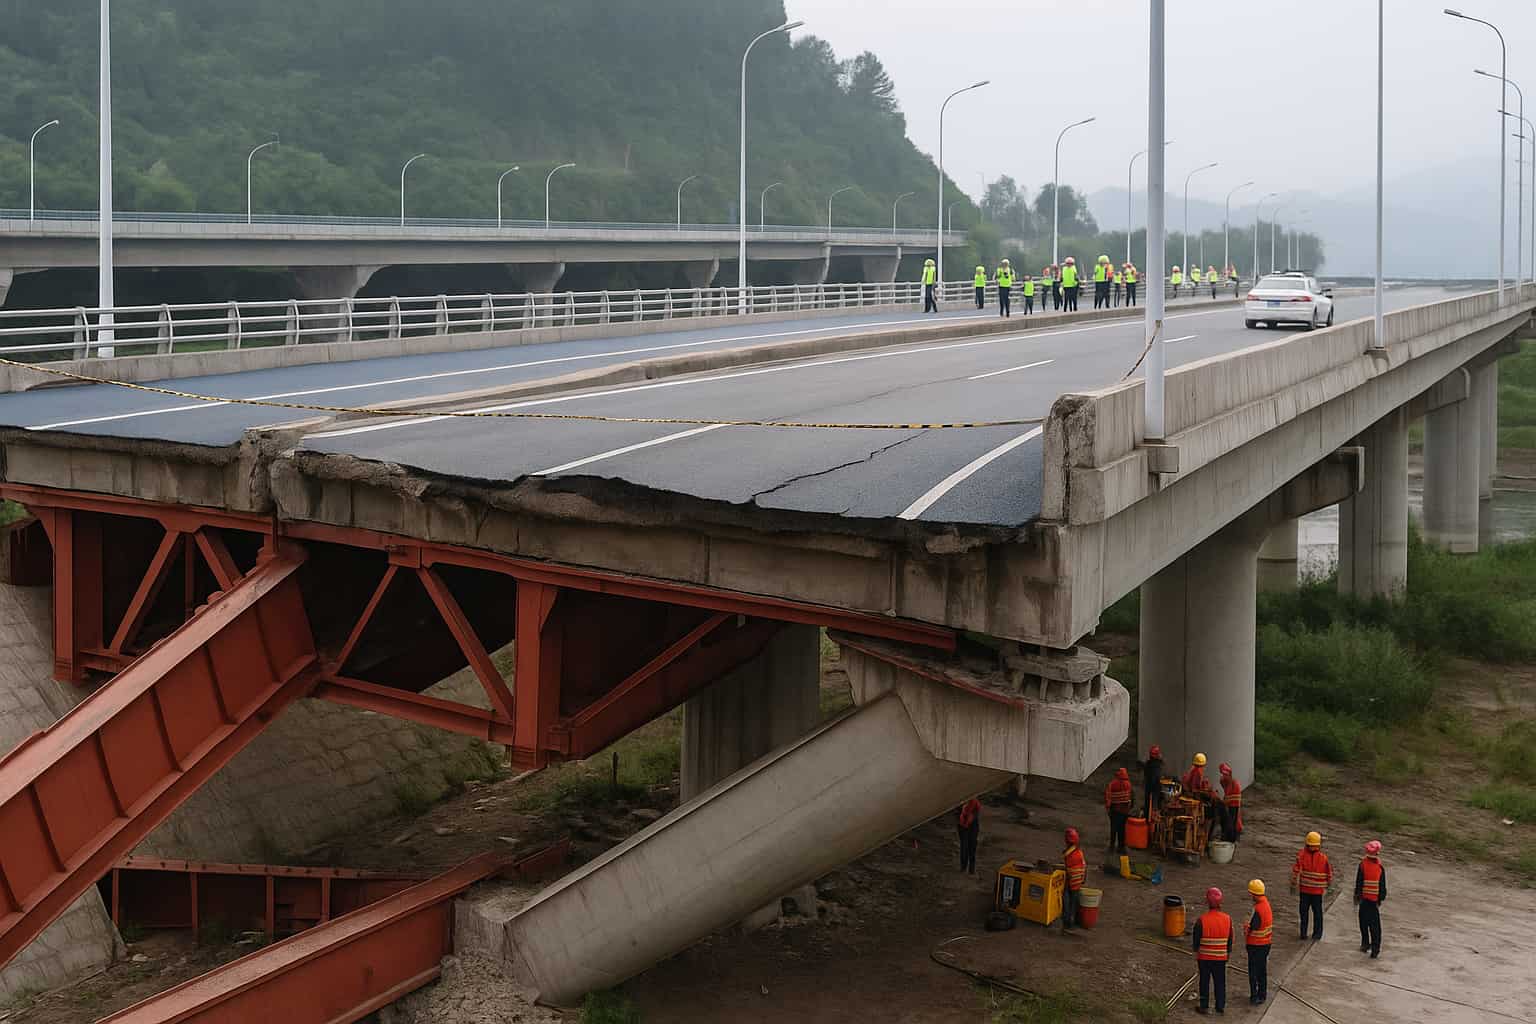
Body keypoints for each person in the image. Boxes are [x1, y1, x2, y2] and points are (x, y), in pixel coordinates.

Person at [1192, 887, 1233, 1015]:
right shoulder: (1227, 919)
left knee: (1204, 981)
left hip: (1204, 958)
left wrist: (1196, 950)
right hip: (1221, 957)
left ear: (1207, 902)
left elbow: (1196, 941)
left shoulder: (1201, 920)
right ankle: (1220, 1006)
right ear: (1220, 902)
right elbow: (1230, 939)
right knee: (1220, 982)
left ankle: (1204, 1006)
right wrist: (1227, 953)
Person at [1291, 830, 1333, 941]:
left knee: (1306, 913)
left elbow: (1296, 870)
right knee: (1315, 913)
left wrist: (1293, 883)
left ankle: (1306, 933)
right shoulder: (1323, 858)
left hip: (1307, 891)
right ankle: (1315, 934)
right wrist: (1329, 885)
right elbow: (1329, 873)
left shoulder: (1302, 855)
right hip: (1315, 892)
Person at [1355, 839, 1387, 958]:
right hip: (1374, 902)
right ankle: (1375, 948)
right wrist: (1381, 898)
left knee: (1363, 923)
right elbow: (1382, 886)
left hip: (1364, 900)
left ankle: (1365, 944)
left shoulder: (1362, 865)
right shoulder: (1380, 867)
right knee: (1375, 926)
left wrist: (1357, 896)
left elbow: (1359, 882)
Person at [1244, 879, 1273, 1006]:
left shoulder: (1258, 908)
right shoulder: (1266, 904)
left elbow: (1253, 927)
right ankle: (1262, 994)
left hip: (1256, 945)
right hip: (1266, 943)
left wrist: (1246, 927)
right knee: (1262, 970)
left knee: (1254, 972)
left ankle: (1254, 996)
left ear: (1254, 894)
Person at [1061, 827, 1086, 932]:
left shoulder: (1068, 854)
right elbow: (1084, 865)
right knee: (1074, 901)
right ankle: (1073, 920)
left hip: (1071, 879)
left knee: (1066, 898)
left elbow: (1067, 869)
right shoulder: (1079, 852)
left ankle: (1067, 921)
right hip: (1079, 879)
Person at [1105, 767, 1134, 853]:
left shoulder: (1113, 784)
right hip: (1124, 812)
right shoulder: (1128, 784)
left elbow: (1108, 796)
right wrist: (1129, 808)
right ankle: (1121, 847)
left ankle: (1112, 846)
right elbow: (1132, 797)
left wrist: (1108, 808)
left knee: (1113, 829)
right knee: (1122, 829)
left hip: (1114, 811)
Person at [1218, 763, 1243, 843]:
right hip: (1228, 802)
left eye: (1226, 774)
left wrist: (1225, 800)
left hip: (1234, 804)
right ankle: (1227, 835)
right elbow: (1226, 792)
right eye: (1223, 774)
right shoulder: (1222, 781)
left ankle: (1232, 837)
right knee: (1226, 820)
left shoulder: (1235, 784)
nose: (1224, 776)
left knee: (1233, 820)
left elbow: (1236, 797)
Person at [957, 796, 982, 874]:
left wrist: (972, 817)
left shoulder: (974, 802)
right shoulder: (960, 801)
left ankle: (971, 869)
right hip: (963, 826)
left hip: (972, 826)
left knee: (972, 846)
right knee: (964, 847)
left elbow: (977, 810)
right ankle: (963, 867)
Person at [1141, 744, 1164, 819]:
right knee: (1154, 806)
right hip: (1154, 788)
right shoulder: (1156, 765)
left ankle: (1149, 819)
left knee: (1150, 805)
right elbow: (1156, 777)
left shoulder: (1150, 764)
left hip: (1151, 788)